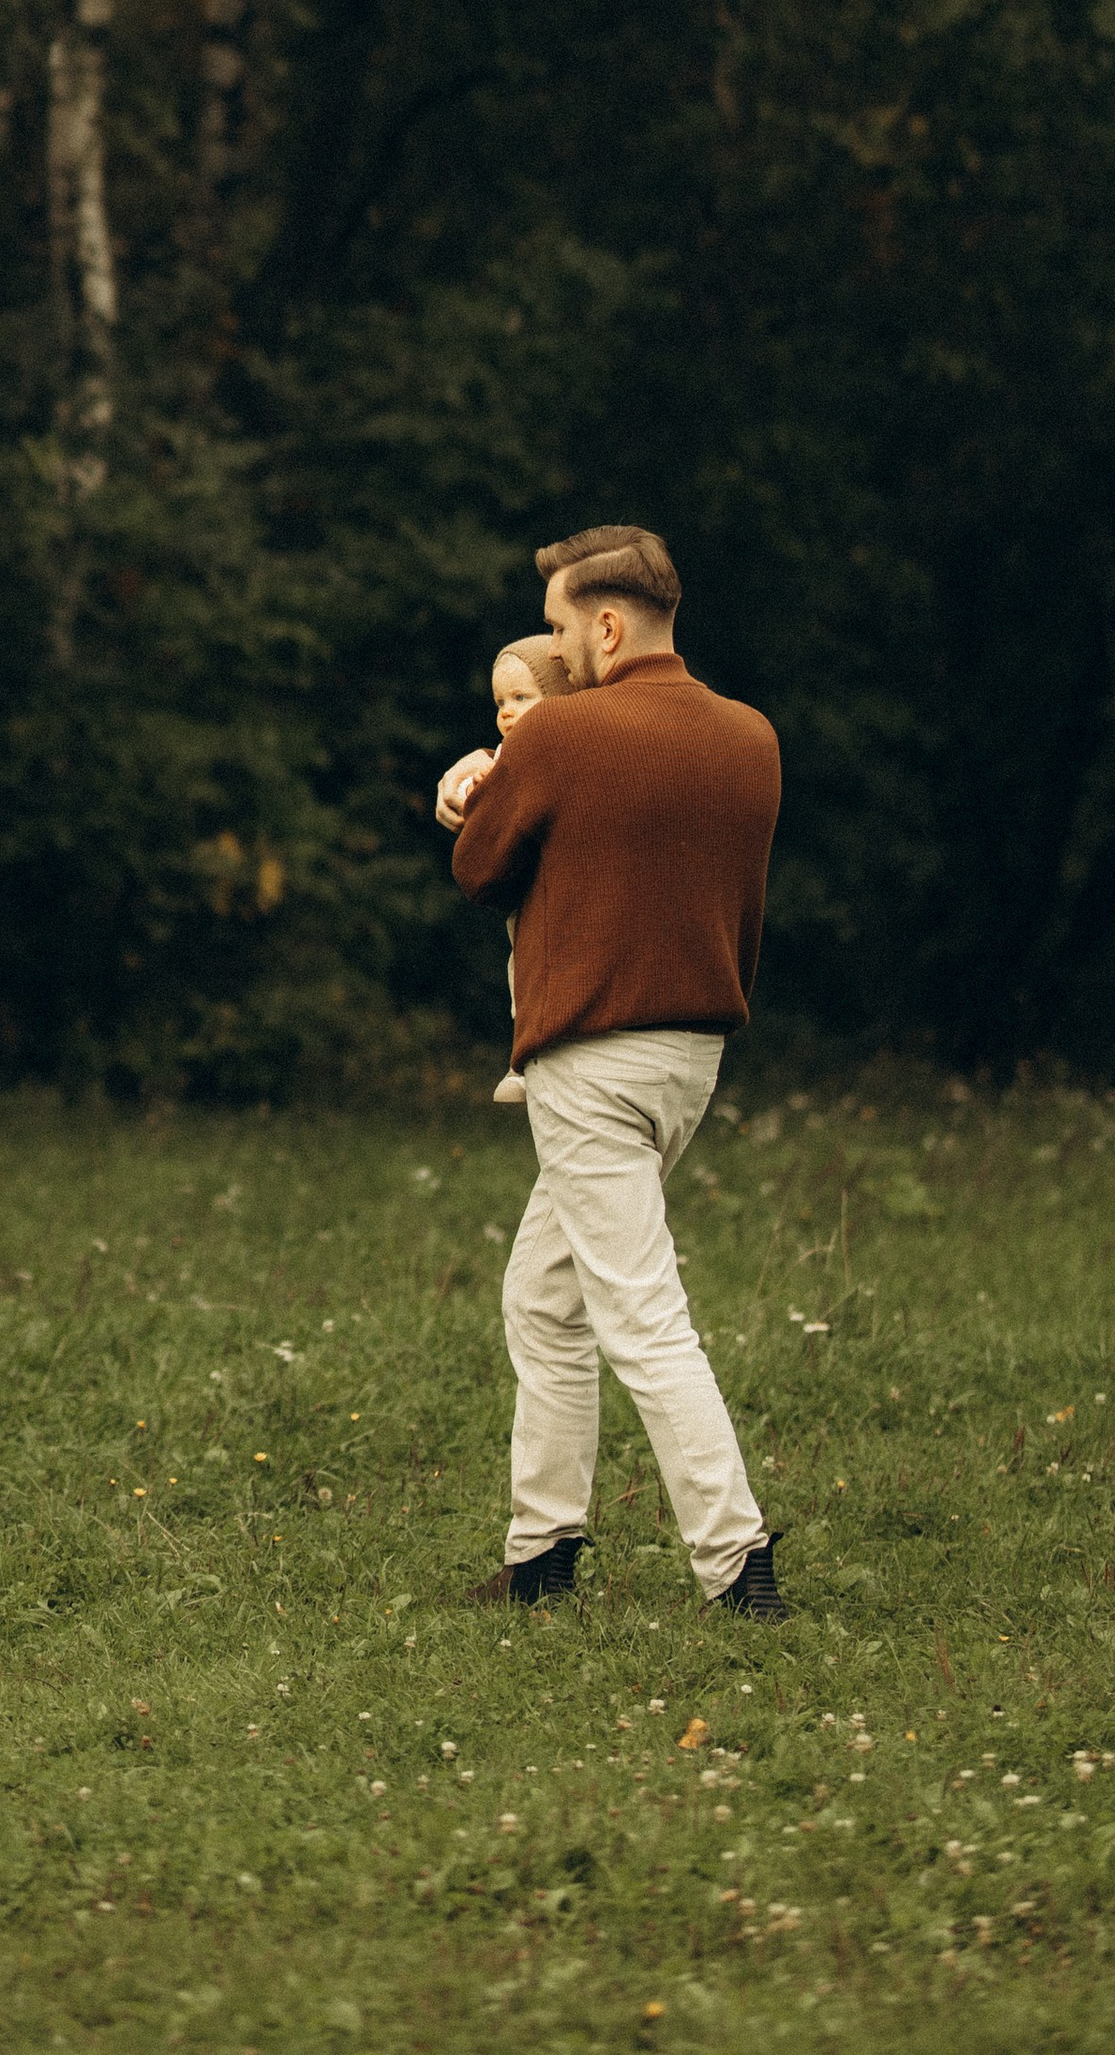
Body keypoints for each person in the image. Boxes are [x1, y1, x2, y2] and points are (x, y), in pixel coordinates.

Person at [437, 524, 785, 1617]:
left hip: (590, 1052)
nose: (552, 652)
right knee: (543, 1296)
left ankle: (737, 1567)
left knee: (638, 1315)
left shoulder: (567, 735)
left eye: (554, 629)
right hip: (692, 1055)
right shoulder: (750, 736)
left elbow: (482, 866)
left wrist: (466, 792)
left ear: (603, 622)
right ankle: (542, 1554)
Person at [475, 634, 570, 1108]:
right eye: (499, 702)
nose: (506, 712)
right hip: (524, 896)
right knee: (521, 971)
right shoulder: (504, 756)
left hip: (553, 897)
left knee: (540, 971)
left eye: (521, 698)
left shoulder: (558, 755)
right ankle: (522, 1059)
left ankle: (531, 1060)